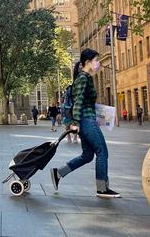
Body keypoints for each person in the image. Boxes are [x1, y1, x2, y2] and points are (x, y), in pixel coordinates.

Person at [51, 48, 121, 198]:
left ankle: (59, 173)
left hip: (87, 119)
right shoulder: (83, 78)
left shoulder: (85, 77)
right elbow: (78, 102)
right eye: (96, 60)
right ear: (88, 62)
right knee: (102, 152)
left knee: (88, 155)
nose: (98, 64)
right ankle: (102, 189)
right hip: (86, 120)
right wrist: (75, 123)